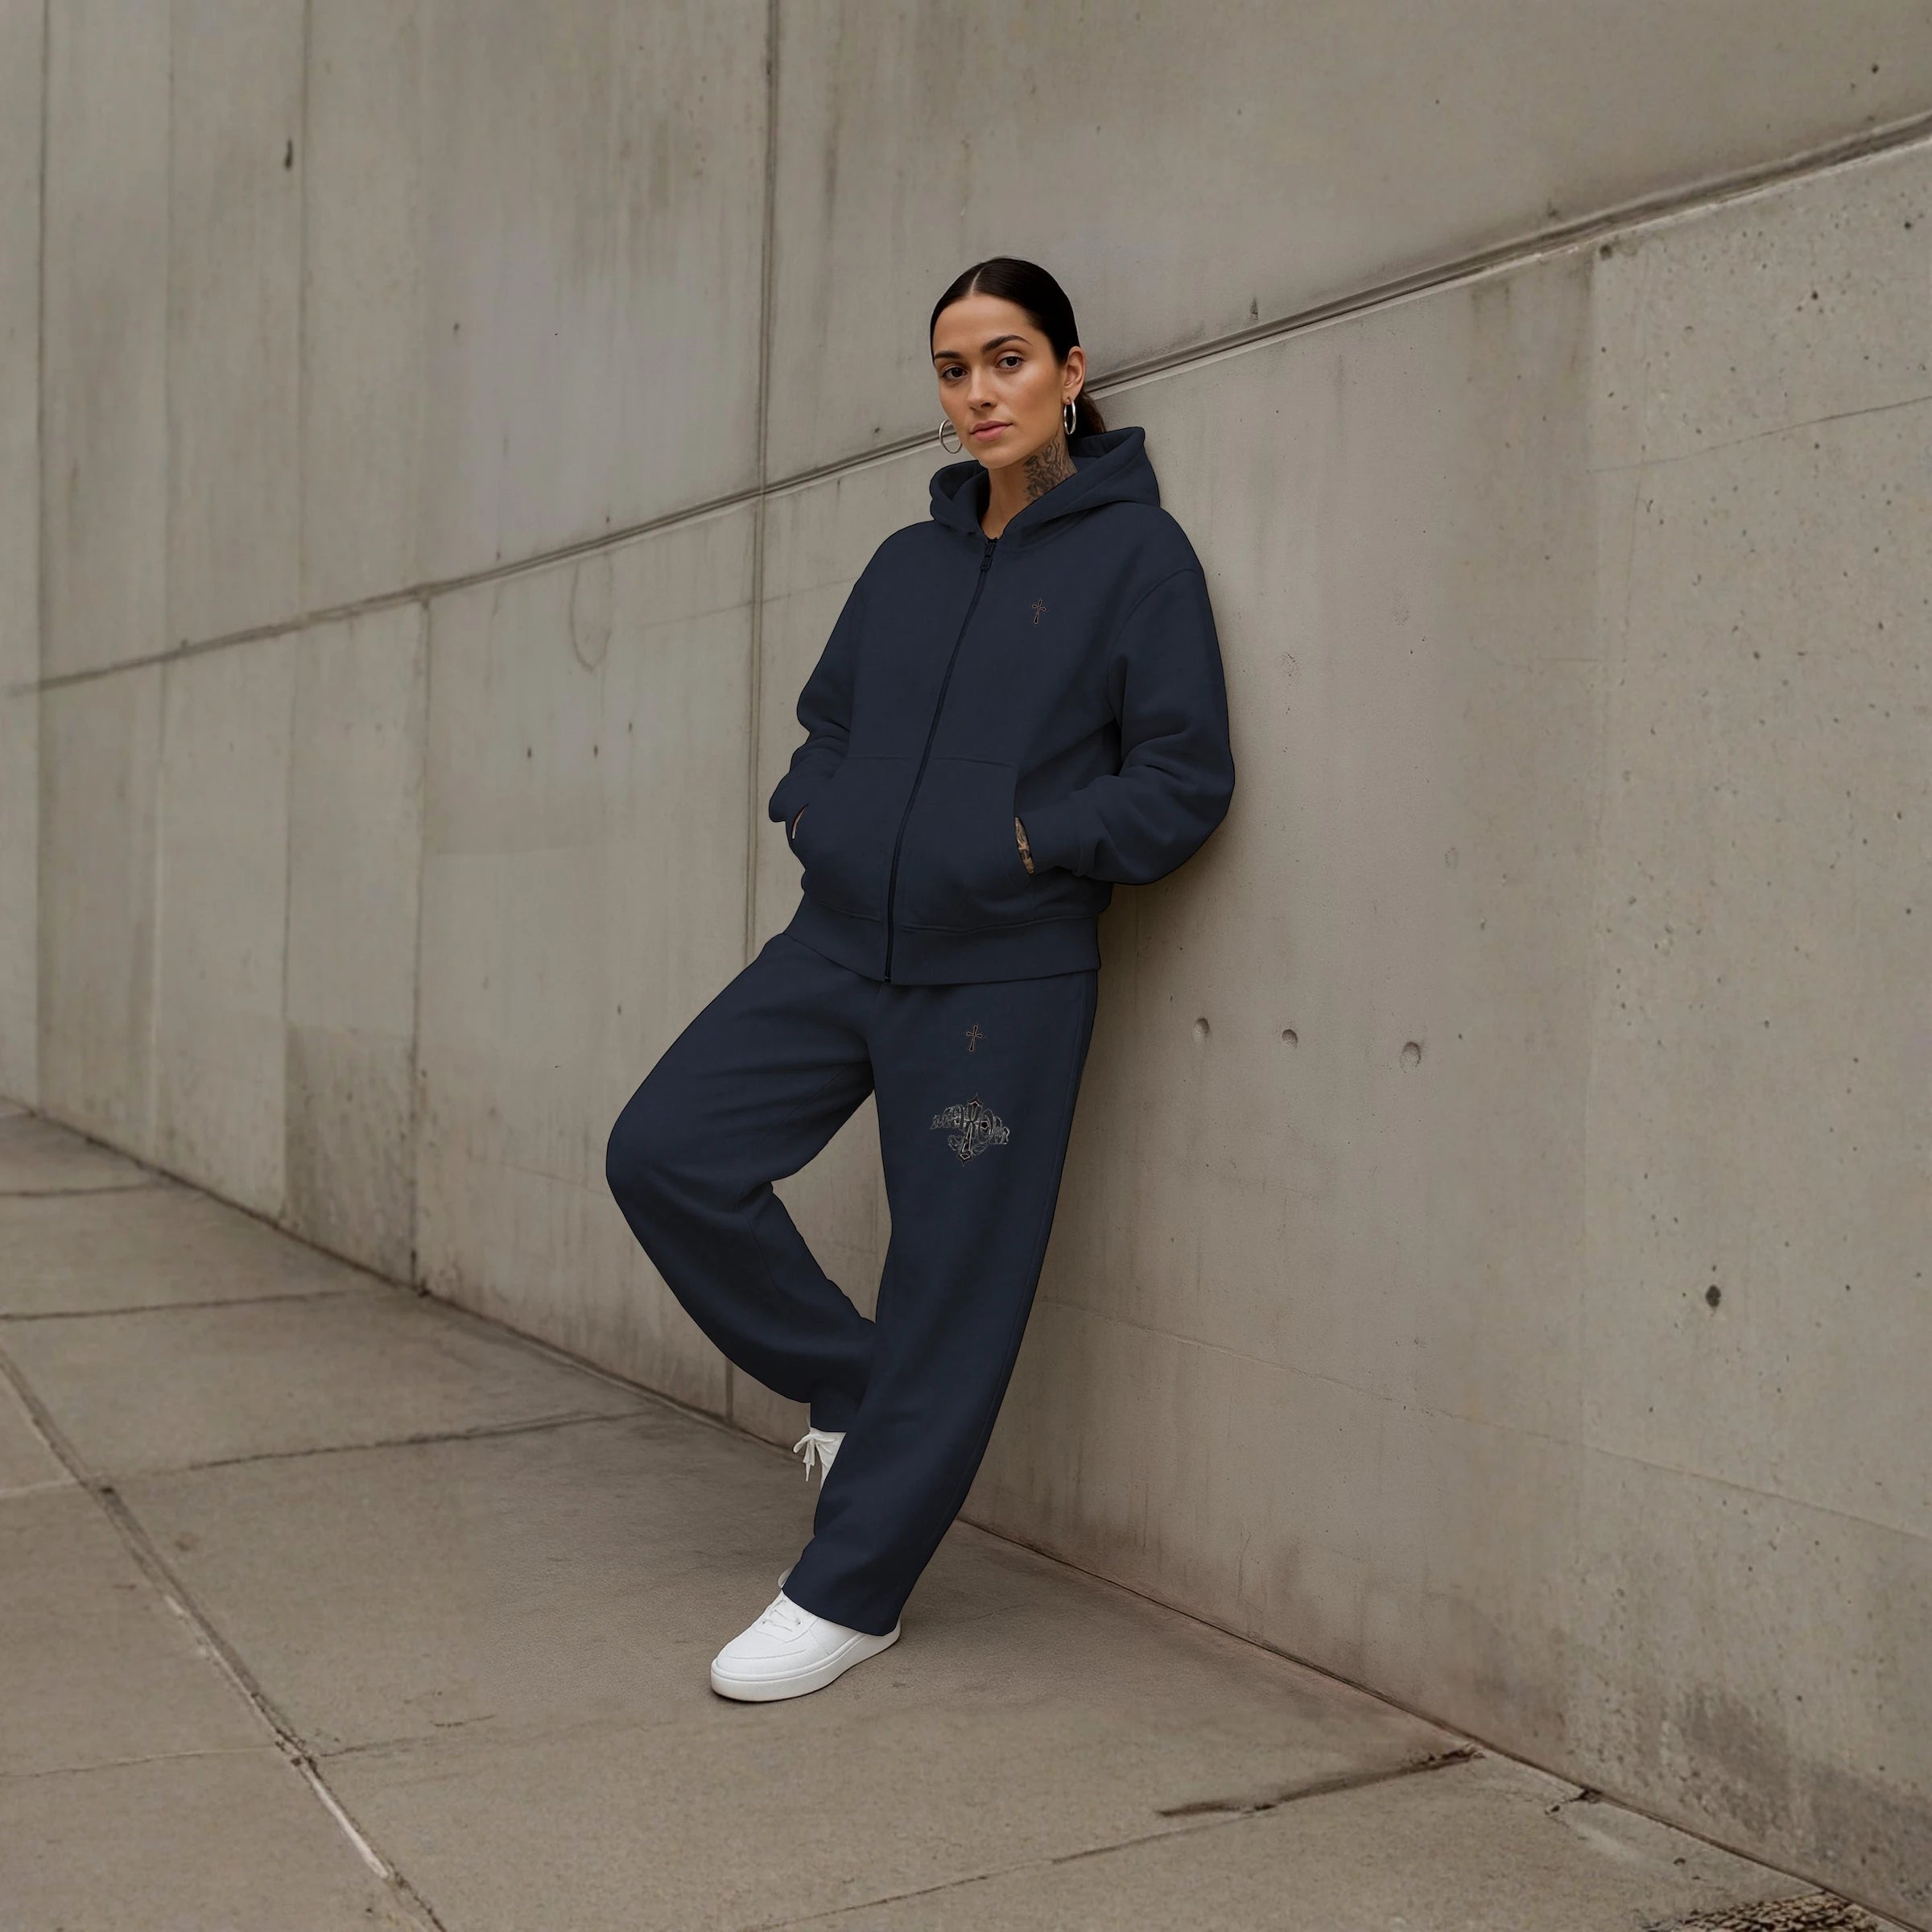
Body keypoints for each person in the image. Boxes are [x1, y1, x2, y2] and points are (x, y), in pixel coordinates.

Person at [605, 256, 1236, 1701]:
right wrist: (814, 811)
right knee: (666, 1152)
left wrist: (1022, 842)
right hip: (837, 945)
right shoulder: (908, 561)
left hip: (999, 978)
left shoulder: (1140, 560)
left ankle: (852, 1591)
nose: (977, 395)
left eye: (1006, 361)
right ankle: (862, 1387)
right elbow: (825, 726)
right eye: (954, 371)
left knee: (955, 1282)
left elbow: (1185, 780)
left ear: (1071, 372)